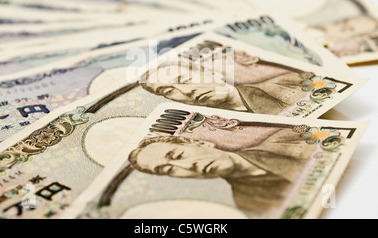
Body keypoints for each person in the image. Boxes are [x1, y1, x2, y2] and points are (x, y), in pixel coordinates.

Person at [128, 131, 317, 215]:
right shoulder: (249, 202)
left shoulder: (291, 139)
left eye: (178, 155)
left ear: (201, 143)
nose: (188, 167)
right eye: (169, 169)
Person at [141, 48, 316, 115]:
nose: (187, 91)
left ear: (210, 72)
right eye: (169, 91)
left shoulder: (294, 83)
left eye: (184, 79)